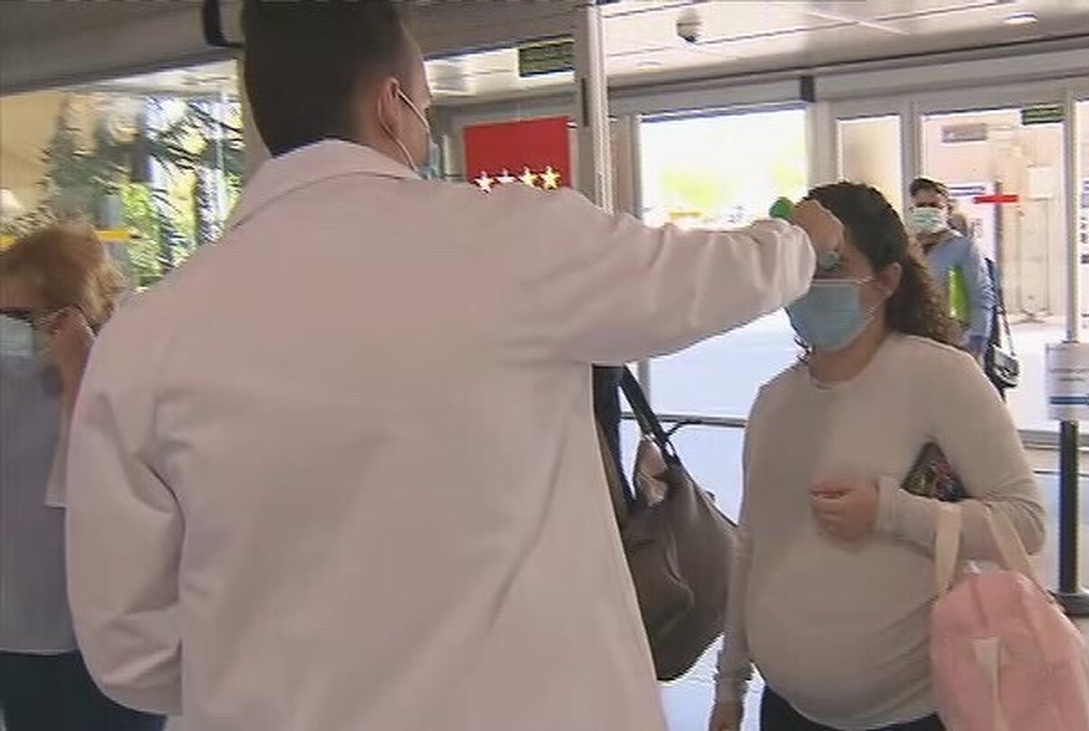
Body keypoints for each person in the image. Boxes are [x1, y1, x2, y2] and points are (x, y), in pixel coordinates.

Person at [61, 2, 843, 730]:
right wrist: (800, 241)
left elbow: (130, 649)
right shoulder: (512, 244)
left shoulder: (147, 338)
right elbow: (706, 278)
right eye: (427, 105)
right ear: (389, 103)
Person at [708, 182, 1045, 731]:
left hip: (910, 713)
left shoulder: (941, 377)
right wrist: (729, 684)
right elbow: (750, 546)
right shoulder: (775, 400)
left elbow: (1024, 523)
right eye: (804, 267)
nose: (812, 287)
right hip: (788, 710)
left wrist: (891, 512)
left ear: (887, 280)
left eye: (832, 267)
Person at [0, 224, 164, 731]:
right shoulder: (9, 379)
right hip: (20, 630)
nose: (10, 332)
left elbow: (96, 496)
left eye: (20, 318)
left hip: (108, 636)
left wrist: (78, 379)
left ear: (71, 313)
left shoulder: (122, 375)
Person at [907, 177, 995, 361]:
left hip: (955, 343)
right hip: (913, 343)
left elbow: (981, 295)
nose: (927, 211)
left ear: (947, 211)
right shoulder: (904, 248)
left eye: (934, 206)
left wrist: (976, 342)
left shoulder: (963, 247)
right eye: (921, 206)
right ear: (912, 210)